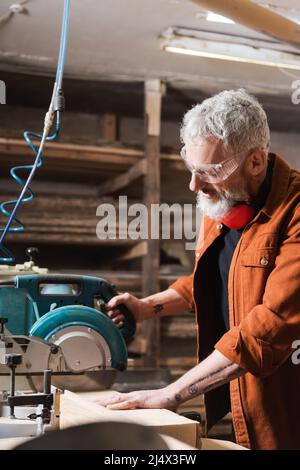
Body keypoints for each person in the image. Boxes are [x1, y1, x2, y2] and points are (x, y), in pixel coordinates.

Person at [99, 89, 300, 450]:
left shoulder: (296, 213)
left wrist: (171, 394)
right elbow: (210, 282)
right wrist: (146, 308)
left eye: (209, 171)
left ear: (255, 162)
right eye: (191, 168)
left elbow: (267, 330)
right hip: (242, 400)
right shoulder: (221, 201)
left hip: (285, 410)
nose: (195, 185)